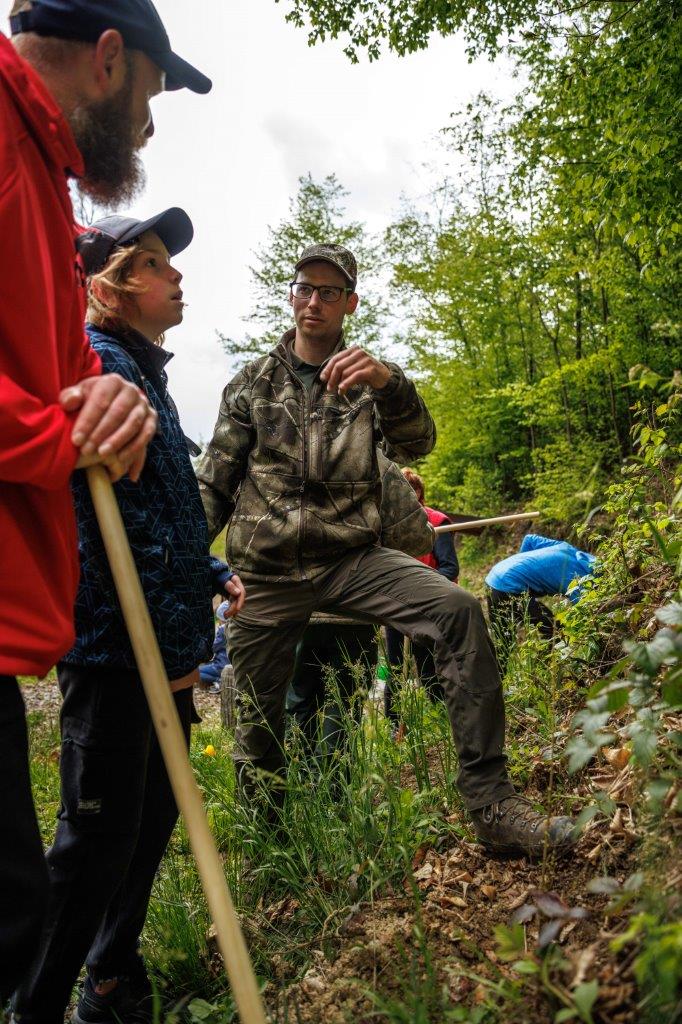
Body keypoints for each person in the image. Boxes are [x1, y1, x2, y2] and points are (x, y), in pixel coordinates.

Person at [196, 241, 575, 858]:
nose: (313, 301)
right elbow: (214, 481)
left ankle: (493, 805)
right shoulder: (253, 385)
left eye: (329, 292)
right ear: (291, 296)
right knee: (257, 727)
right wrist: (192, 565)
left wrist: (388, 381)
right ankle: (269, 849)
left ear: (350, 303)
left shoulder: (368, 381)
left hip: (352, 561)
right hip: (265, 573)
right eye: (304, 288)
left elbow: (419, 441)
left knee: (458, 610)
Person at [0, 0, 211, 1008]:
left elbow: (58, 371)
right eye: (151, 95)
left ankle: (108, 974)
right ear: (109, 59)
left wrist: (96, 391)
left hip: (51, 619)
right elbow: (57, 414)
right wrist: (62, 429)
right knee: (34, 887)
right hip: (100, 639)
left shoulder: (42, 179)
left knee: (22, 896)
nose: (150, 126)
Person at [12, 210, 245, 1024]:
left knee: (148, 822)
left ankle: (110, 976)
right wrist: (164, 634)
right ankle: (36, 1005)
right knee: (96, 838)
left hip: (165, 647)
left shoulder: (145, 372)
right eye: (151, 263)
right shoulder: (98, 368)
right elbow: (95, 525)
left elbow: (161, 511)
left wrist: (209, 570)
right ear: (106, 288)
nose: (175, 275)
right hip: (117, 651)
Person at [383, 468, 459, 736]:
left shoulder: (437, 522)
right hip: (396, 606)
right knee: (395, 669)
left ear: (419, 493)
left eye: (411, 493)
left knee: (429, 667)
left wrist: (418, 586)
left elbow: (450, 568)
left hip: (429, 607)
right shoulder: (388, 526)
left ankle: (440, 722)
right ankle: (395, 728)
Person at [485, 533, 597, 674]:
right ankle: (539, 672)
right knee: (555, 631)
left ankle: (493, 681)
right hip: (509, 586)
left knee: (503, 641)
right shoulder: (581, 580)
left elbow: (529, 539)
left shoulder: (566, 548)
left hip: (494, 576)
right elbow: (588, 617)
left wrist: (524, 565)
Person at [286, 613, 377, 766]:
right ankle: (328, 777)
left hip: (306, 615)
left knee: (301, 700)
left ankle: (295, 773)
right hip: (355, 615)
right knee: (345, 703)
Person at [199, 600, 232, 694]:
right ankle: (219, 679)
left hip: (221, 665)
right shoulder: (233, 627)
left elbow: (213, 647)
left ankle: (220, 680)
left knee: (197, 673)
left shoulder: (222, 630)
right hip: (228, 662)